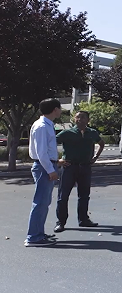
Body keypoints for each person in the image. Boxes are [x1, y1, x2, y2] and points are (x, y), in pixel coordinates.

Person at [53, 110, 105, 232]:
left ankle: (83, 219)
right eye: (77, 117)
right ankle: (60, 222)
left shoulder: (92, 133)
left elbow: (101, 143)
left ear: (88, 120)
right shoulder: (67, 133)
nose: (79, 120)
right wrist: (57, 160)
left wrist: (95, 158)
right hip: (69, 167)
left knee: (84, 195)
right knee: (63, 196)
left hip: (85, 167)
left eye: (82, 117)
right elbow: (50, 143)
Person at [26, 98, 64, 247]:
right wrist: (50, 169)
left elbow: (45, 150)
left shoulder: (47, 124)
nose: (61, 111)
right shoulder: (42, 126)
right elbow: (41, 152)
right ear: (55, 109)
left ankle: (38, 233)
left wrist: (55, 161)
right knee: (40, 202)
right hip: (43, 167)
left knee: (44, 202)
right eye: (60, 108)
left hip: (46, 165)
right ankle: (34, 237)